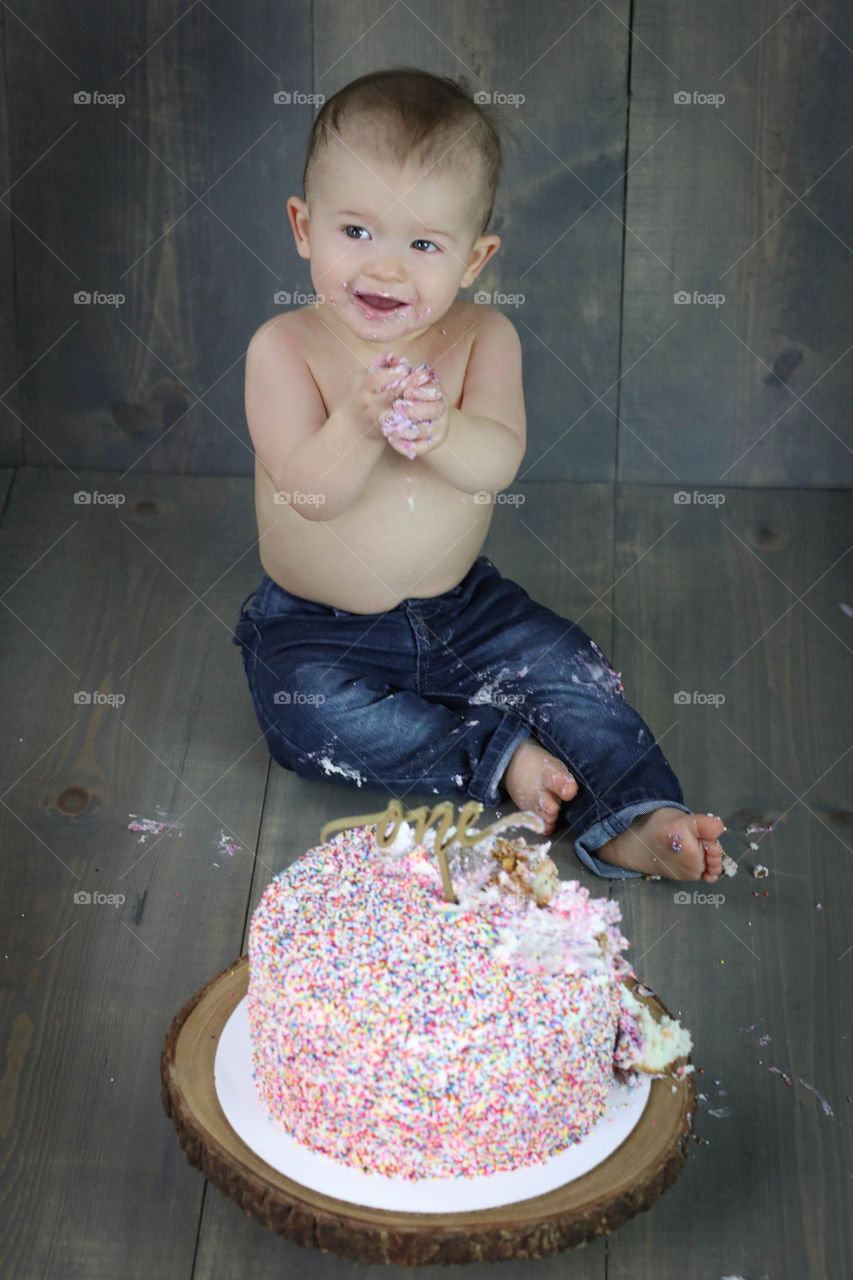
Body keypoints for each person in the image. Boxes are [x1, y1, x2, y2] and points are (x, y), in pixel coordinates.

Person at [232, 67, 725, 883]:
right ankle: (498, 760)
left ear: (474, 257)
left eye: (422, 244)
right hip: (315, 626)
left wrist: (444, 428)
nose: (386, 269)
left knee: (569, 664)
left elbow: (496, 460)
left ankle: (637, 814)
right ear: (302, 225)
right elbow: (310, 494)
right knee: (304, 718)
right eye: (356, 231)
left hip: (464, 610)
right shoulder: (284, 349)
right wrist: (356, 422)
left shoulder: (482, 339)